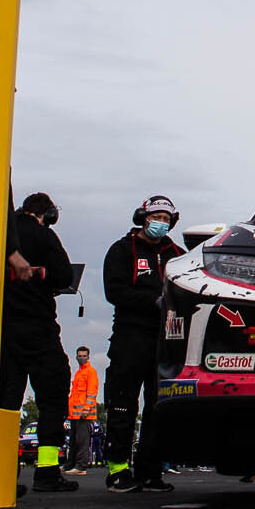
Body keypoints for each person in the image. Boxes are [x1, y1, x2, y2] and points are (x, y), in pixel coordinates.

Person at [103, 194, 182, 493]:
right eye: (156, 217)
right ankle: (117, 469)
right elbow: (114, 292)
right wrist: (153, 301)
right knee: (123, 401)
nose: (161, 223)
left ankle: (150, 471)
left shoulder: (177, 253)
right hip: (130, 335)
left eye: (166, 219)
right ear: (143, 218)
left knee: (158, 407)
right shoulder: (122, 249)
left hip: (165, 338)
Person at [0, 190, 77, 494]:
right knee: (53, 397)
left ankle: (4, 475)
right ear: (49, 215)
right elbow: (65, 276)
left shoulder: (3, 234)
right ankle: (47, 472)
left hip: (4, 329)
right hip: (39, 327)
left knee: (6, 403)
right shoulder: (44, 236)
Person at [67, 345, 99, 474]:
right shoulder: (79, 373)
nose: (82, 358)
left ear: (88, 357)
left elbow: (92, 392)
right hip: (74, 415)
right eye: (80, 356)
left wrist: (86, 409)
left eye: (84, 356)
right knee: (73, 441)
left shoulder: (91, 372)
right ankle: (70, 465)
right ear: (76, 357)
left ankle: (80, 467)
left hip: (84, 414)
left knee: (82, 441)